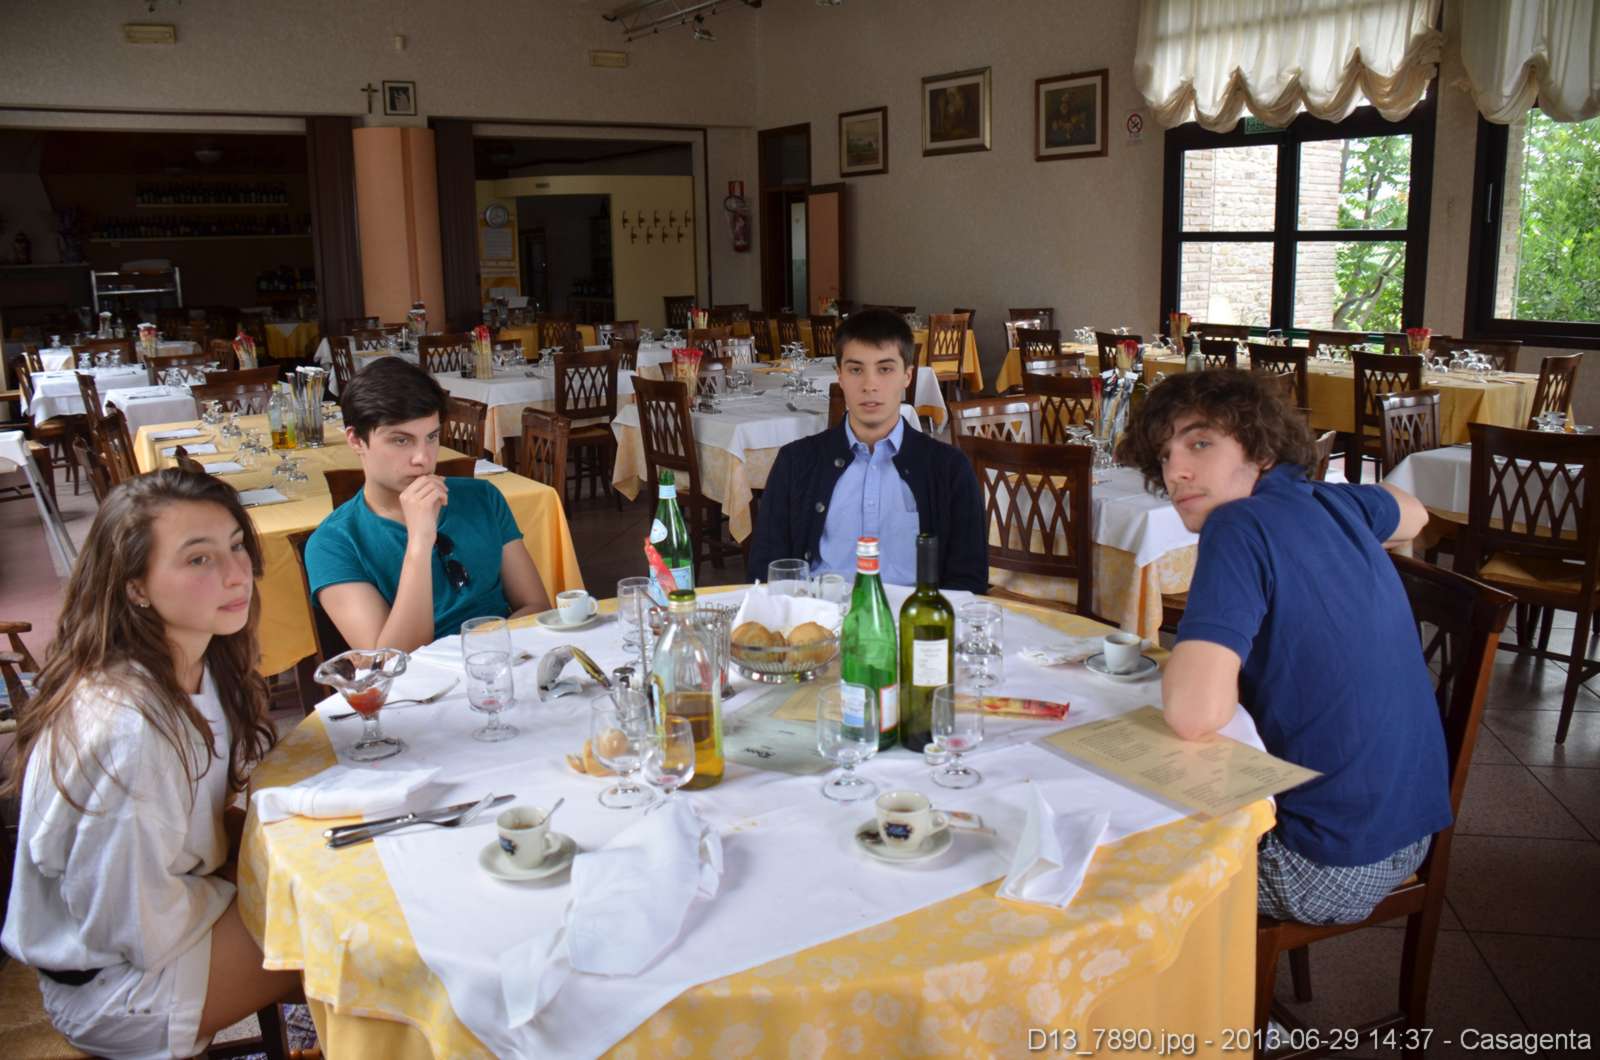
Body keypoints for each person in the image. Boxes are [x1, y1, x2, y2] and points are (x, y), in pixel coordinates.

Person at [1117, 369, 1445, 925]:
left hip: (1320, 862)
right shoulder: (1330, 501)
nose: (1176, 472)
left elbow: (1193, 716)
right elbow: (1414, 513)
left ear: (1263, 449)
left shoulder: (1236, 524)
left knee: (1113, 870)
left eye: (1200, 443)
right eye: (1165, 456)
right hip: (1410, 832)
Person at [2, 469, 300, 1058]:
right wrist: (242, 876)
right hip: (121, 983)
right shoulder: (130, 730)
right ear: (135, 586)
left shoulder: (200, 658)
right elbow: (130, 925)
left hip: (159, 924)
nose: (237, 574)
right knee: (353, 943)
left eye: (236, 546)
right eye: (198, 559)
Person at [306, 358, 550, 652]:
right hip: (420, 681)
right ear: (356, 440)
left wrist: (480, 656)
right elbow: (391, 660)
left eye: (432, 437)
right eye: (401, 440)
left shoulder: (483, 497)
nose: (423, 458)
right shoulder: (333, 543)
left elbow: (536, 607)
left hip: (502, 664)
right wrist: (420, 542)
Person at [747, 308, 986, 590]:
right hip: (819, 612)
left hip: (913, 614)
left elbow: (968, 582)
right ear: (840, 376)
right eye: (856, 370)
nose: (870, 385)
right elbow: (766, 571)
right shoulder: (795, 462)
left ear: (907, 376)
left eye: (885, 369)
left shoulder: (949, 469)